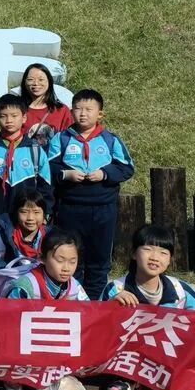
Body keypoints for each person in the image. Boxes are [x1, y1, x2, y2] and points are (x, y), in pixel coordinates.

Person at [102, 224, 195, 390]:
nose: (155, 257)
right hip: (126, 356)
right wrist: (113, 303)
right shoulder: (117, 288)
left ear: (170, 260)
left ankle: (162, 380)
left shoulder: (179, 289)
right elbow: (97, 321)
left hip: (164, 358)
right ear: (134, 254)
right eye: (148, 249)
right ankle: (120, 378)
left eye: (163, 253)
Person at [47, 88, 134, 301]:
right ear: (71, 112)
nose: (83, 114)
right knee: (70, 258)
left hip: (103, 209)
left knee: (99, 260)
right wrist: (66, 174)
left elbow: (126, 168)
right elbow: (47, 166)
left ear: (100, 114)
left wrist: (105, 174)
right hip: (70, 208)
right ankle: (70, 300)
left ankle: (96, 302)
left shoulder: (110, 140)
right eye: (78, 109)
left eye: (89, 109)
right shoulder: (61, 139)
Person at [5, 229, 89, 390]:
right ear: (42, 258)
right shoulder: (27, 285)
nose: (66, 268)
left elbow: (91, 314)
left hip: (52, 348)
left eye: (72, 261)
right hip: (24, 346)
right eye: (60, 260)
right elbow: (7, 322)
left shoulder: (74, 286)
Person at [0, 95, 53, 236]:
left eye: (14, 116)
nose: (9, 120)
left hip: (28, 218)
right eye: (3, 116)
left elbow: (46, 186)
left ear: (24, 118)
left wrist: (45, 213)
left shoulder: (35, 150)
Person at [0, 188, 51, 275]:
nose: (30, 218)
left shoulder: (51, 237)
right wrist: (15, 268)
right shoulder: (2, 233)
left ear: (44, 215)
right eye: (24, 212)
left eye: (36, 212)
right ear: (16, 213)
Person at [20, 63, 73, 148]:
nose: (36, 83)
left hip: (54, 156)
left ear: (49, 82)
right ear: (24, 82)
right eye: (30, 79)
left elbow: (69, 140)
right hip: (25, 155)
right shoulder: (18, 109)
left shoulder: (61, 110)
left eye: (41, 80)